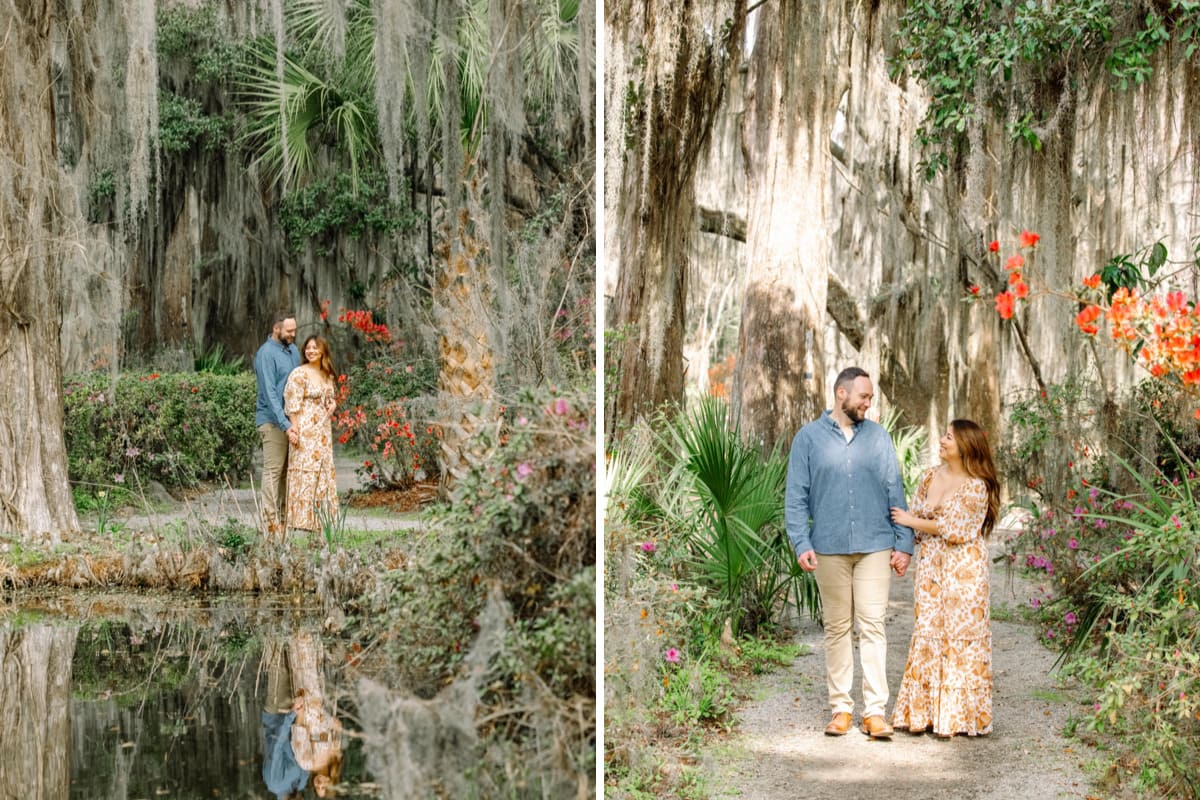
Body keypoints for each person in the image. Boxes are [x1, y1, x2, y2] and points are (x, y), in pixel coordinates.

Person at [786, 366, 914, 739]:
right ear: (841, 394)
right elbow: (796, 497)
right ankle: (841, 708)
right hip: (828, 547)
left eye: (871, 397)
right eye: (864, 397)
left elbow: (896, 491)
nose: (868, 403)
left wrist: (903, 543)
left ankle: (875, 712)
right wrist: (801, 542)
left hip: (875, 545)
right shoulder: (808, 439)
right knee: (838, 628)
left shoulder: (878, 438)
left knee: (873, 627)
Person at [889, 419, 998, 737]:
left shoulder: (977, 484)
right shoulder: (929, 477)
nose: (942, 440)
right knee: (928, 630)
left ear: (966, 445)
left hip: (963, 572)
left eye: (949, 437)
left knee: (960, 637)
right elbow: (920, 519)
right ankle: (925, 714)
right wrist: (903, 546)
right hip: (931, 570)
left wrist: (910, 520)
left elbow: (957, 529)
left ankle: (959, 717)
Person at [283, 335, 339, 534]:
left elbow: (330, 398)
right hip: (305, 430)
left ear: (323, 350)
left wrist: (332, 405)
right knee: (305, 471)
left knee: (322, 470)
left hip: (323, 431)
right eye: (308, 348)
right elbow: (292, 405)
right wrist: (295, 430)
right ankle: (302, 520)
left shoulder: (327, 375)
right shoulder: (299, 374)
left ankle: (321, 519)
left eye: (315, 348)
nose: (311, 351)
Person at [254, 313, 301, 541]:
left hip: (291, 423)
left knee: (286, 474)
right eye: (289, 331)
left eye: (294, 330)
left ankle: (283, 524)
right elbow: (270, 394)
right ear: (276, 328)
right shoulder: (266, 354)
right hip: (273, 423)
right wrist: (285, 425)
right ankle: (270, 526)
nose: (293, 334)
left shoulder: (293, 351)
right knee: (273, 472)